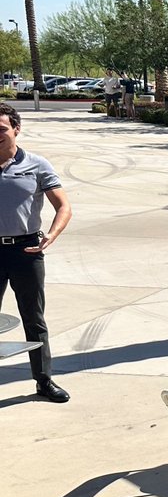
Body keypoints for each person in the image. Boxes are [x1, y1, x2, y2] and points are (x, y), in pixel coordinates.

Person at [0, 104, 72, 402]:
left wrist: (51, 236)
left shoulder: (37, 165)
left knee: (34, 318)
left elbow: (63, 206)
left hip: (26, 251)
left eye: (1, 129)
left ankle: (43, 381)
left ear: (16, 129)